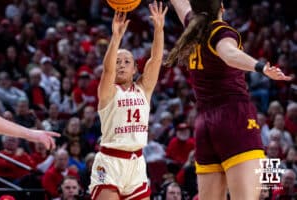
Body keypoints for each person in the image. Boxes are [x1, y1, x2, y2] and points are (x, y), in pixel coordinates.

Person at [166, 0, 292, 199]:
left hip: (204, 124)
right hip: (233, 118)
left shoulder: (193, 26)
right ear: (222, 8)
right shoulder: (221, 31)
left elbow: (180, 4)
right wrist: (261, 67)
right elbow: (230, 54)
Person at [89, 1, 167, 200]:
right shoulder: (108, 91)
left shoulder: (143, 89)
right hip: (110, 162)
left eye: (127, 62)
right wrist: (116, 38)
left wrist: (159, 29)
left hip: (137, 163)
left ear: (135, 69)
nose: (121, 65)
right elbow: (107, 70)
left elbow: (156, 60)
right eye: (118, 61)